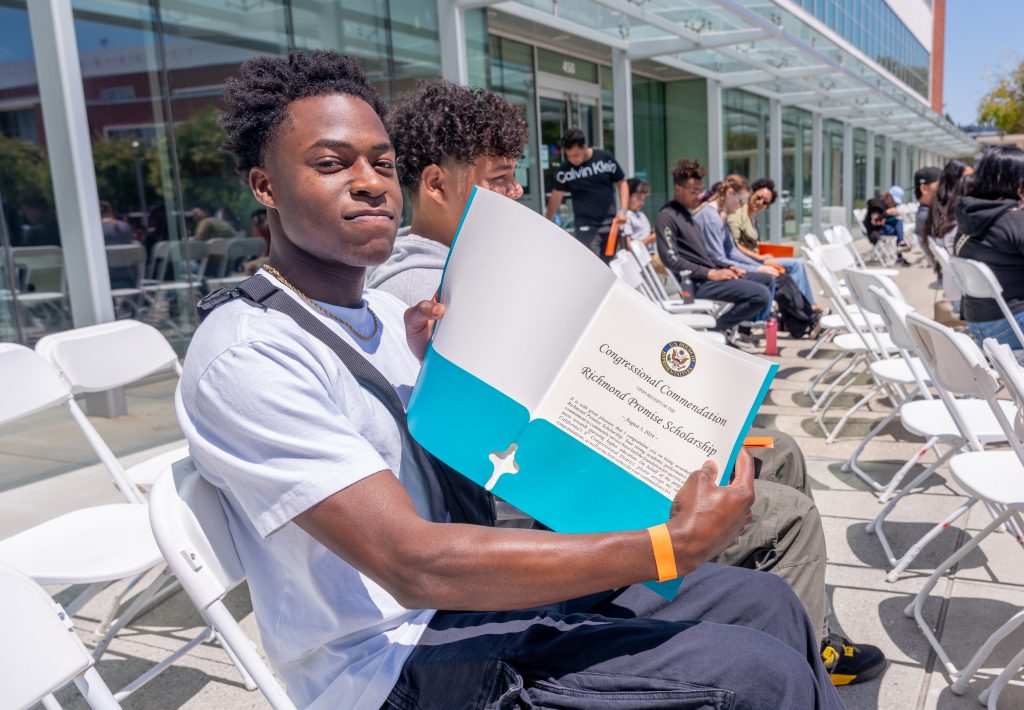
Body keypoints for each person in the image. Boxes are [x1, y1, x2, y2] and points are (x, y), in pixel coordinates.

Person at [179, 51, 848, 710]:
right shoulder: (248, 354)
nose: (370, 182)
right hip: (391, 663)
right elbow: (412, 563)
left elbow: (480, 478)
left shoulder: (385, 314)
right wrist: (663, 548)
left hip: (466, 608)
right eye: (332, 163)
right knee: (759, 675)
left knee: (765, 603)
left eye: (382, 162)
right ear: (265, 186)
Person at [370, 82, 884, 685]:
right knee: (787, 515)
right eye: (501, 178)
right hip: (549, 502)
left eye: (514, 177)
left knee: (785, 453)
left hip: (577, 460)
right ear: (435, 184)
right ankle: (795, 667)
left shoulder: (476, 262)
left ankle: (813, 633)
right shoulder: (432, 287)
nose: (516, 194)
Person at [656, 161, 772, 335]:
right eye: (693, 191)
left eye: (700, 190)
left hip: (708, 276)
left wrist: (727, 267)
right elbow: (671, 260)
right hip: (696, 283)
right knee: (760, 294)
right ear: (678, 189)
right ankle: (714, 330)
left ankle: (716, 329)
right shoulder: (667, 216)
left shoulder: (686, 216)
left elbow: (703, 256)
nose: (699, 196)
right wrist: (711, 273)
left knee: (766, 279)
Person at [954, 145, 1024, 350]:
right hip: (1013, 325)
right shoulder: (1013, 221)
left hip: (978, 324)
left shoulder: (970, 215)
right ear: (1016, 182)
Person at [727, 177, 818, 306]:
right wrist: (760, 257)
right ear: (752, 193)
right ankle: (805, 306)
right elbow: (734, 246)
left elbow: (751, 243)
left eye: (765, 202)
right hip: (748, 260)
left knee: (796, 265)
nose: (760, 202)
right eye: (758, 197)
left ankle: (802, 305)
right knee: (795, 265)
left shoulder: (752, 216)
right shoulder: (738, 214)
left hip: (756, 257)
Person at [543, 128, 627, 262]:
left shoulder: (605, 159)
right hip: (585, 226)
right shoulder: (565, 170)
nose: (572, 160)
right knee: (592, 264)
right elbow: (556, 196)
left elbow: (622, 183)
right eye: (569, 156)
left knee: (610, 265)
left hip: (610, 224)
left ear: (585, 147)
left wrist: (623, 210)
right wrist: (546, 221)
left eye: (576, 155)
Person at [925, 160, 974, 252]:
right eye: (968, 177)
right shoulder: (961, 213)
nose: (972, 181)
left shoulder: (938, 207)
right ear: (954, 182)